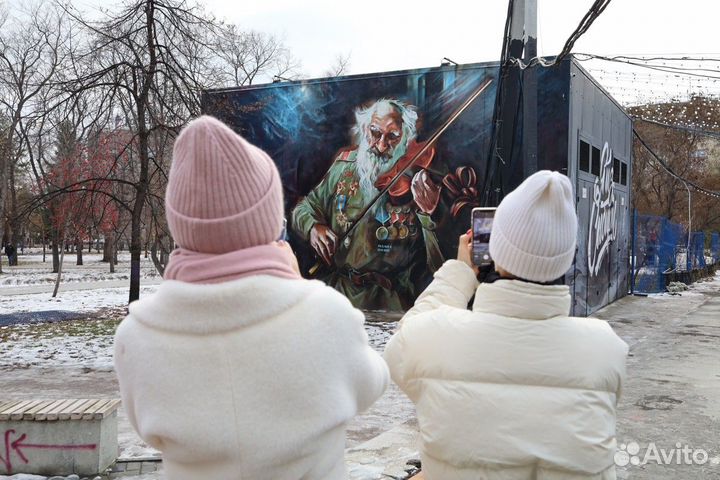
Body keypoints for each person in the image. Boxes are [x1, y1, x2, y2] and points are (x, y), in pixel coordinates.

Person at [114, 116, 389, 480]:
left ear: (181, 225)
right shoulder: (326, 314)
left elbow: (144, 426)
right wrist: (293, 285)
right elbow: (372, 385)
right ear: (268, 222)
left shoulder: (136, 337)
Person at [384, 171, 628, 479]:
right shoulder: (604, 347)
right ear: (566, 259)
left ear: (494, 252)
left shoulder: (438, 337)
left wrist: (461, 271)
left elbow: (402, 344)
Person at [291, 99, 445, 311]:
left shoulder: (418, 181)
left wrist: (429, 214)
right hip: (339, 295)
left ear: (406, 139)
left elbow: (438, 266)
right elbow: (304, 208)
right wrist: (313, 227)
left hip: (392, 302)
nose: (381, 146)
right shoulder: (343, 168)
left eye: (392, 137)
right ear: (365, 129)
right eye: (375, 133)